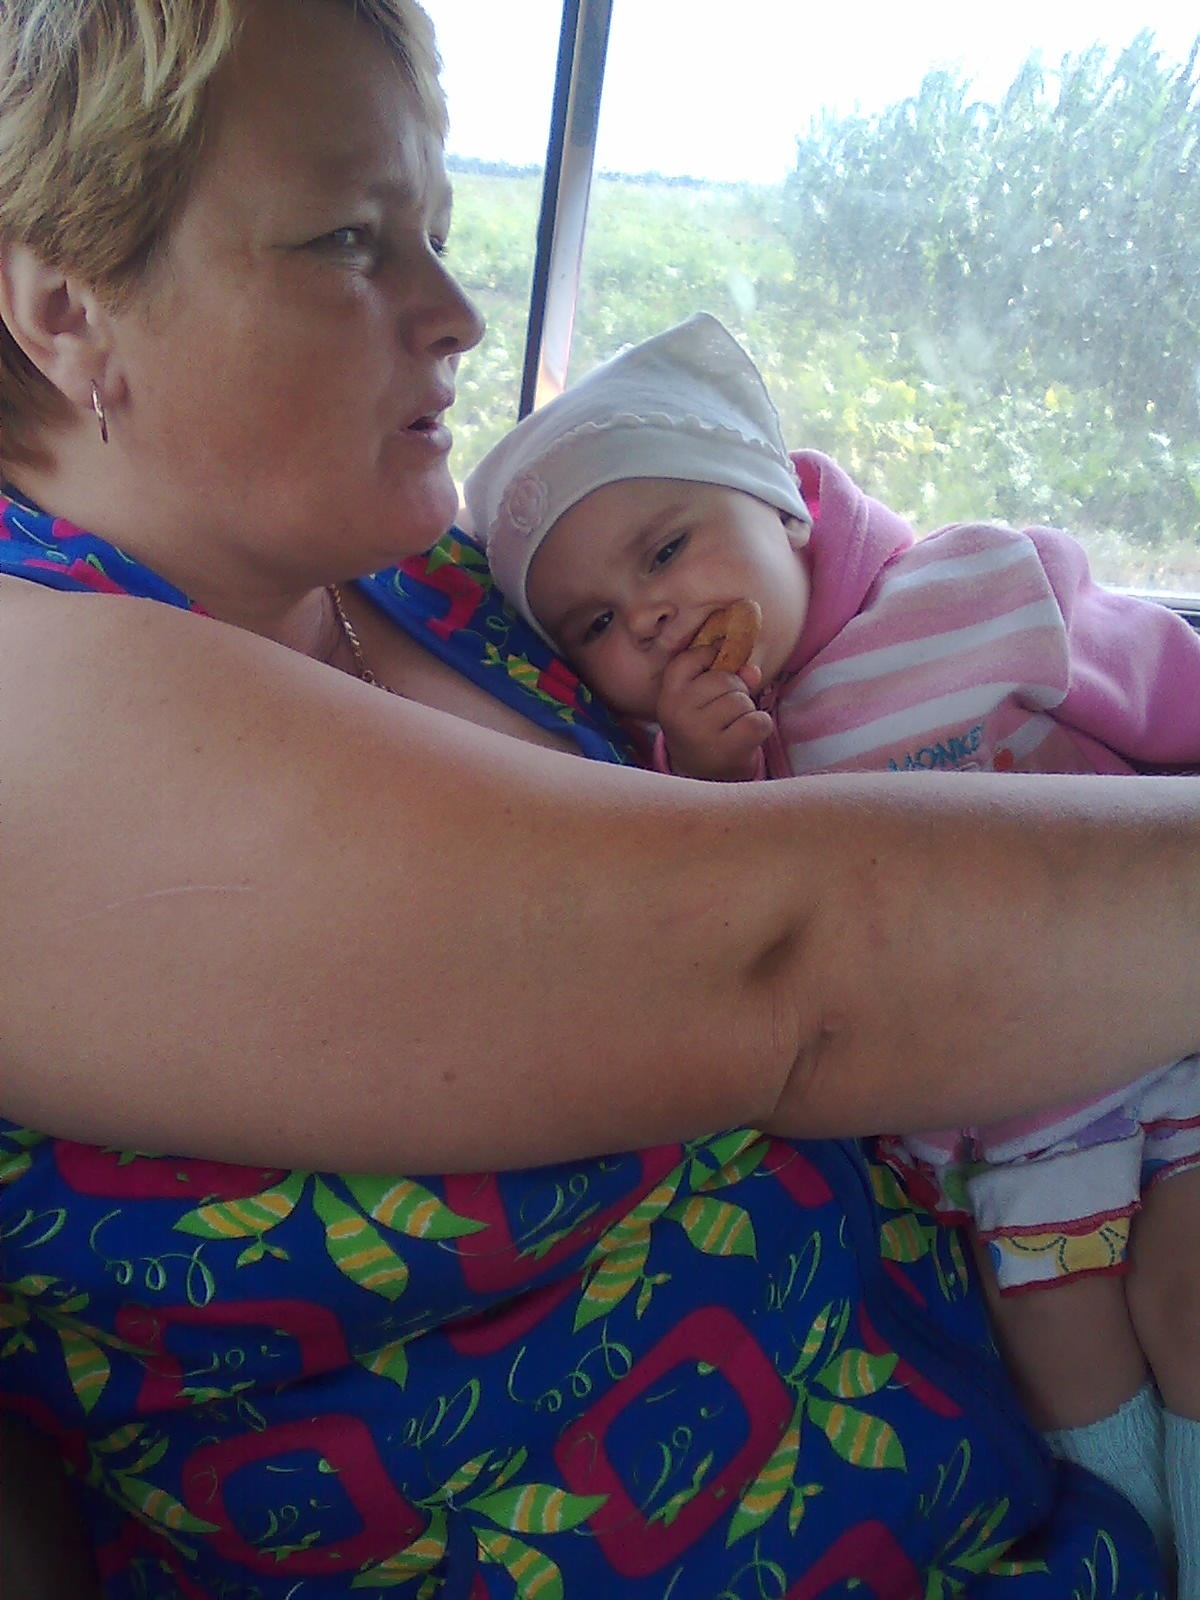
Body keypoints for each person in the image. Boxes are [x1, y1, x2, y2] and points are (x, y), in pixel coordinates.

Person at [2, 4, 1200, 1597]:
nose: (455, 315)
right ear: (68, 308)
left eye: (436, 234)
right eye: (350, 239)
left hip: (1005, 1458)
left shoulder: (435, 582)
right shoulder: (34, 700)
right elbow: (782, 966)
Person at [466, 310, 1200, 1590]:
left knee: (1191, 1302)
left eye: (667, 549)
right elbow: (720, 919)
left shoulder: (985, 589)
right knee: (1063, 1361)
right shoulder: (694, 769)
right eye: (593, 624)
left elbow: (1172, 699)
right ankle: (1144, 1546)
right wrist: (711, 774)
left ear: (787, 505)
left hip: (1162, 1026)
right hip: (1002, 1133)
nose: (649, 616)